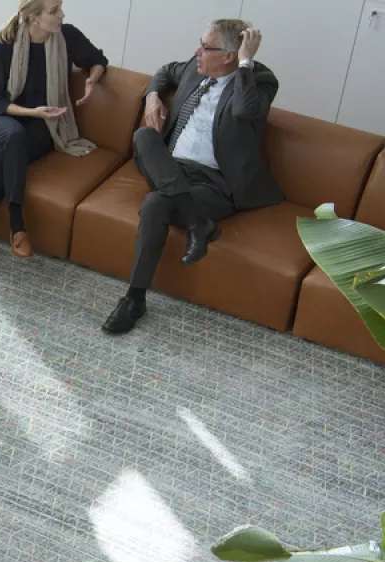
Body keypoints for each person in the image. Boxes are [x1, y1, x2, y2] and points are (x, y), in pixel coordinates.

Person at [102, 19, 278, 333]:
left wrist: (246, 62)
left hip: (214, 185)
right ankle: (199, 223)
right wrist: (153, 96)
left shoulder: (260, 81)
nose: (197, 52)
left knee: (156, 203)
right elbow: (164, 71)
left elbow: (243, 111)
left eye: (206, 48)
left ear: (227, 56)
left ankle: (134, 299)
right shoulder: (193, 69)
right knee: (144, 136)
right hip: (170, 167)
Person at [0, 0, 106, 272]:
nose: (61, 15)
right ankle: (17, 224)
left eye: (60, 8)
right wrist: (32, 112)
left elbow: (99, 59)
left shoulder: (67, 37)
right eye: (54, 11)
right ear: (34, 18)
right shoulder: (5, 42)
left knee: (0, 155)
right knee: (13, 135)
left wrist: (92, 79)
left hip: (43, 127)